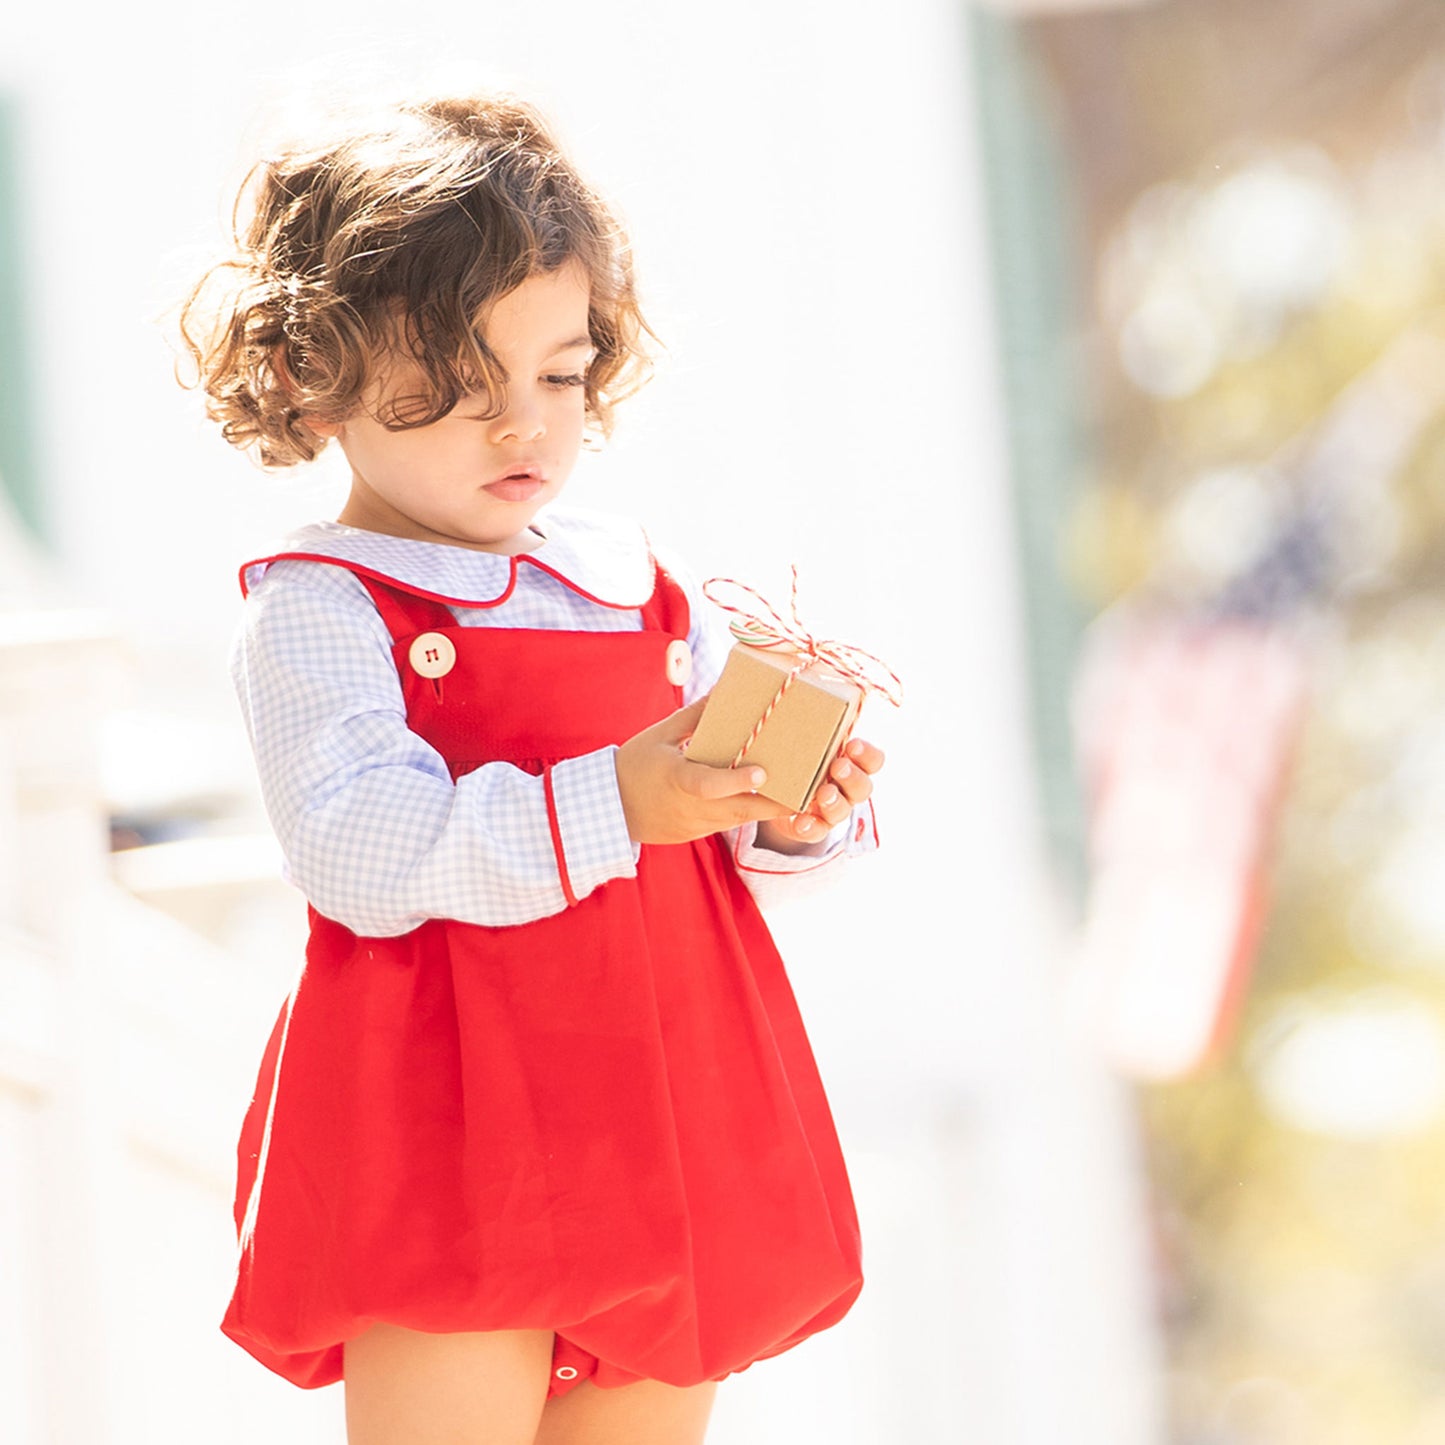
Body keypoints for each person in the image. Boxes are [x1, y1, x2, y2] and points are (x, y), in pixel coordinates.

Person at [180, 90, 886, 1445]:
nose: (522, 426)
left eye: (558, 375)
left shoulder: (628, 583)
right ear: (310, 370)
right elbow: (360, 848)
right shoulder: (325, 603)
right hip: (444, 1133)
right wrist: (621, 794)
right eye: (457, 380)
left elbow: (697, 837)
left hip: (661, 1105)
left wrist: (786, 808)